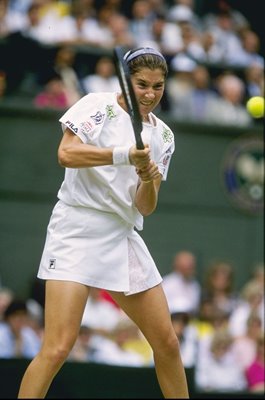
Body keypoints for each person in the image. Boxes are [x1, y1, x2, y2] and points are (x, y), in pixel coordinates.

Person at [17, 46, 189, 399]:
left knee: (168, 343)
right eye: (141, 84)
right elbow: (66, 154)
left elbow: (145, 206)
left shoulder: (164, 137)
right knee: (58, 347)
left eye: (158, 87)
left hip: (122, 235)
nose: (150, 94)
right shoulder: (97, 105)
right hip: (76, 228)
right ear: (126, 81)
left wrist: (147, 177)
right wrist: (124, 155)